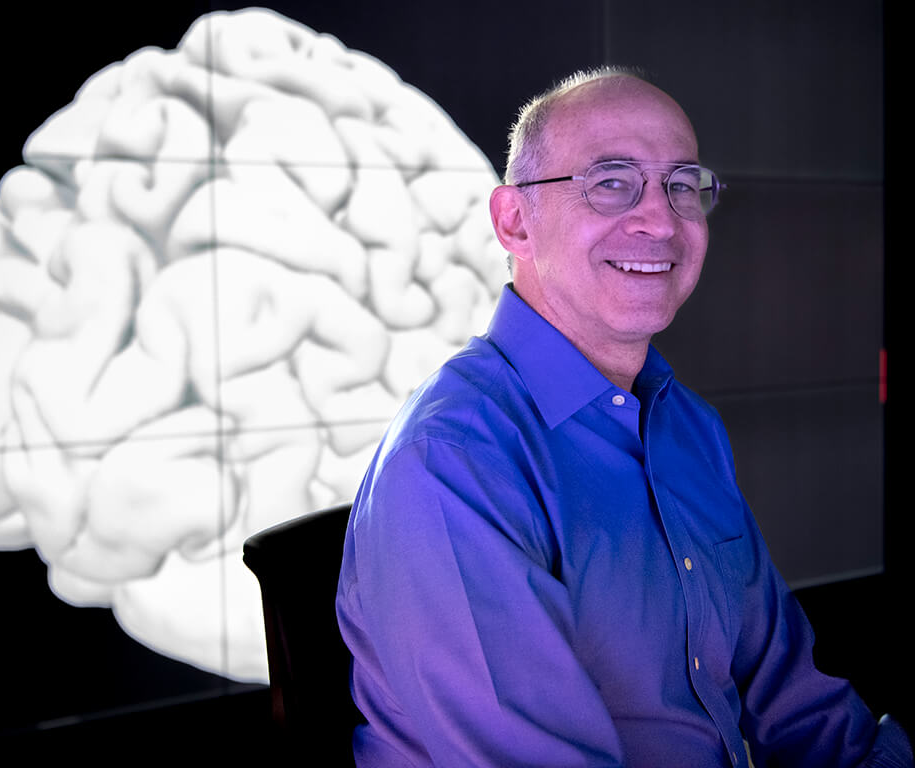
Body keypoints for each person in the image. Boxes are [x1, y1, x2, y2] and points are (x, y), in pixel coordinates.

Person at [335, 68, 911, 767]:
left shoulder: (686, 426)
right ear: (514, 220)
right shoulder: (452, 461)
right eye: (611, 181)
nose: (662, 220)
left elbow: (797, 708)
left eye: (681, 185)